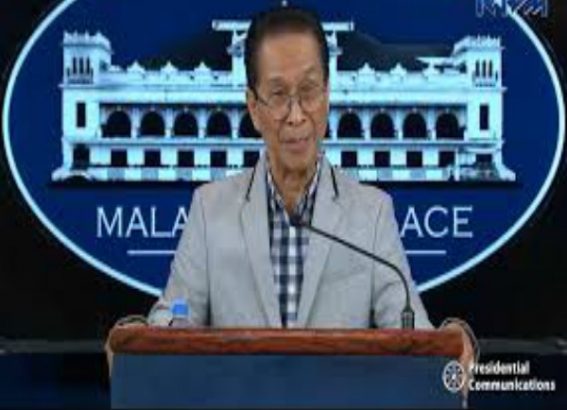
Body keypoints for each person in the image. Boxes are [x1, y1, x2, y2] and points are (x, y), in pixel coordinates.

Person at [147, 4, 476, 367]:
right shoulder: (210, 211)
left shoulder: (372, 214)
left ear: (327, 95)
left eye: (308, 91)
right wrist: (137, 336)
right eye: (278, 95)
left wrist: (451, 341)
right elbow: (174, 317)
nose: (296, 115)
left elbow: (409, 330)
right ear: (253, 107)